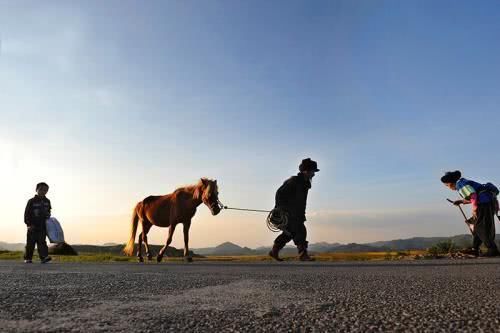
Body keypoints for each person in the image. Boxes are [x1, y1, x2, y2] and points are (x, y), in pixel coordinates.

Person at [269, 158, 319, 261]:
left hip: (297, 214)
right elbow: (279, 193)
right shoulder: (295, 181)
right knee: (300, 231)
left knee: (289, 233)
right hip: (290, 214)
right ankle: (303, 254)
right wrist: (282, 209)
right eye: (313, 171)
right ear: (306, 171)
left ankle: (274, 251)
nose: (314, 174)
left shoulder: (303, 183)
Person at [441, 170, 500, 257]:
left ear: (450, 182)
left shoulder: (460, 184)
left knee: (481, 227)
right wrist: (461, 201)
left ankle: (492, 249)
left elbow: (473, 195)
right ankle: (474, 249)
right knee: (477, 227)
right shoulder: (463, 182)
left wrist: (474, 208)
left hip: (484, 204)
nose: (448, 187)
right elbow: (475, 195)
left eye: (447, 185)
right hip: (488, 203)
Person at [24, 182, 52, 263]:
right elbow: (26, 213)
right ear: (37, 190)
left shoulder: (47, 201)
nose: (43, 191)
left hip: (43, 225)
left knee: (42, 242)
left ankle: (44, 257)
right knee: (30, 242)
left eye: (45, 190)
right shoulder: (31, 201)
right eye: (41, 189)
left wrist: (48, 215)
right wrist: (28, 224)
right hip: (32, 225)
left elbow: (49, 211)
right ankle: (28, 258)